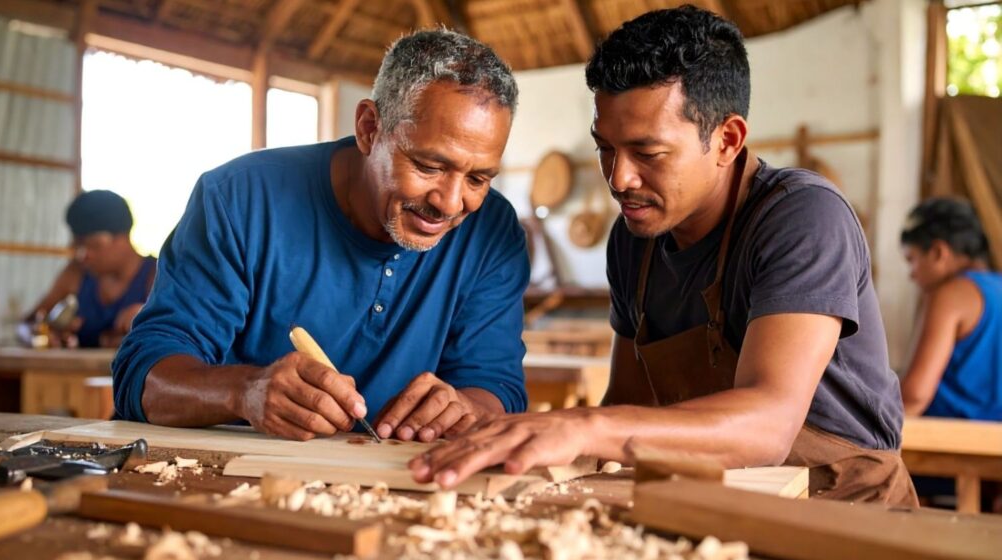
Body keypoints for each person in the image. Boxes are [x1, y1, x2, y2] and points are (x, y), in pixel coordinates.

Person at [411, 6, 917, 506]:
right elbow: (630, 407)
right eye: (605, 148)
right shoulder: (634, 240)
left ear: (727, 140)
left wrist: (581, 424)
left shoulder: (804, 218)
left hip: (849, 511)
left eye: (647, 154)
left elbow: (769, 427)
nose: (619, 179)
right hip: (723, 504)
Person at [112, 29, 530, 443]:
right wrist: (244, 391)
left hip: (394, 487)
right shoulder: (239, 198)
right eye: (429, 166)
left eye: (477, 178)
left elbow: (497, 387)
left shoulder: (493, 233)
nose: (451, 203)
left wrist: (466, 407)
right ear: (369, 128)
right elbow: (142, 378)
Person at [899, 197, 1000, 420]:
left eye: (912, 259)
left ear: (938, 252)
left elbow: (915, 396)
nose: (912, 274)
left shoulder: (951, 294)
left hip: (954, 440)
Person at [24, 189, 156, 348]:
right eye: (80, 247)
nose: (83, 255)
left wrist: (147, 316)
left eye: (93, 245)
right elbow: (27, 325)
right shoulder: (77, 274)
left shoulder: (157, 275)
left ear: (122, 238)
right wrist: (43, 336)